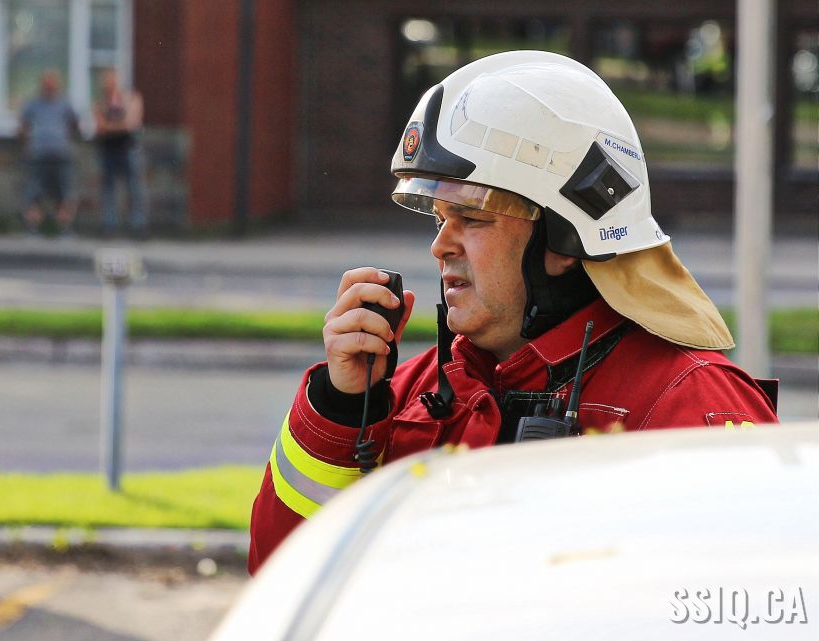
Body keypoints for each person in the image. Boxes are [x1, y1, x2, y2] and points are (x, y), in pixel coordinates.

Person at [247, 51, 779, 574]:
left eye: (472, 218)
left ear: (565, 238)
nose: (440, 246)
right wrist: (341, 408)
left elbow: (745, 602)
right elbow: (281, 573)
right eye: (439, 218)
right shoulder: (409, 393)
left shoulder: (691, 407)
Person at [18, 69, 80, 236]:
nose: (49, 89)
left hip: (61, 154)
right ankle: (32, 229)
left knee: (65, 194)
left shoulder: (65, 104)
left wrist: (64, 139)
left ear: (58, 86)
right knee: (33, 193)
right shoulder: (33, 104)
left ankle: (64, 229)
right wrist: (28, 143)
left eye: (52, 86)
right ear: (41, 86)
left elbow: (74, 125)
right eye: (46, 85)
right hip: (38, 155)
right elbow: (23, 126)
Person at [94, 68, 149, 237]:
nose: (108, 86)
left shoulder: (131, 98)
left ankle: (138, 225)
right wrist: (118, 126)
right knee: (108, 188)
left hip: (128, 149)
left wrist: (111, 126)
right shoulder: (101, 102)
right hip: (108, 149)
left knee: (134, 188)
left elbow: (132, 123)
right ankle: (109, 225)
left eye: (111, 82)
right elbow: (100, 127)